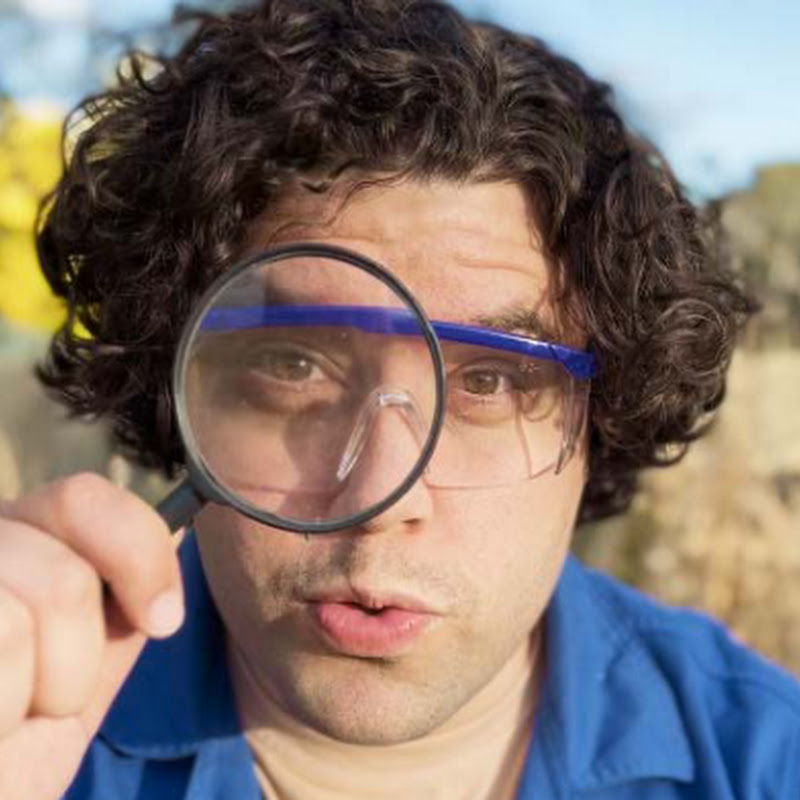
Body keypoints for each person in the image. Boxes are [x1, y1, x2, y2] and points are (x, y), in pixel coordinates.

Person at [1, 1, 798, 798]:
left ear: (605, 425)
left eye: (490, 381)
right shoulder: (26, 719)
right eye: (293, 366)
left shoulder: (762, 764)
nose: (381, 499)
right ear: (173, 391)